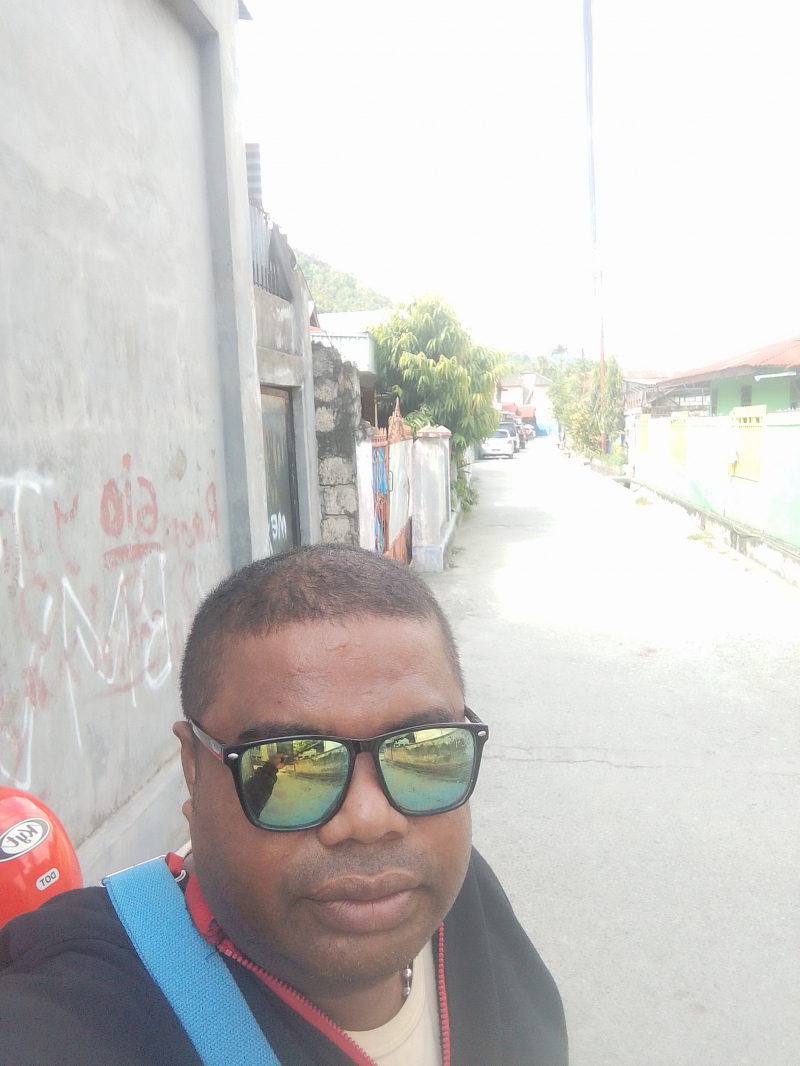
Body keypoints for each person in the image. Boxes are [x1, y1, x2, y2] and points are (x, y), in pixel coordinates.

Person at [0, 546, 568, 1065]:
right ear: (194, 767)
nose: (370, 820)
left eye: (421, 748)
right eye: (291, 762)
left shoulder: (466, 902)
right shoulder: (79, 1005)